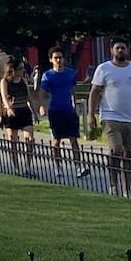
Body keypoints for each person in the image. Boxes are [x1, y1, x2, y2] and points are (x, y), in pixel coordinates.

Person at [88, 41, 131, 196]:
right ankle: (113, 183)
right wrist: (91, 114)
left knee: (128, 153)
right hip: (110, 116)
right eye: (118, 48)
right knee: (116, 149)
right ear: (111, 50)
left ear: (127, 50)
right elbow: (94, 92)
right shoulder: (104, 68)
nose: (121, 50)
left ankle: (127, 187)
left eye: (123, 47)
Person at [38, 48, 86, 177]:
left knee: (74, 139)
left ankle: (78, 167)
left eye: (60, 57)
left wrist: (74, 104)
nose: (58, 60)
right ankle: (58, 166)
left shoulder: (70, 73)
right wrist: (42, 106)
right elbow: (42, 92)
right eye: (56, 58)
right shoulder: (47, 75)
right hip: (55, 110)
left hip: (69, 111)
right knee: (56, 140)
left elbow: (73, 89)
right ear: (51, 60)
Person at [0, 57, 35, 172]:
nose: (23, 70)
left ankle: (28, 166)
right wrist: (9, 108)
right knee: (13, 140)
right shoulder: (5, 81)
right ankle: (16, 167)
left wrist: (35, 112)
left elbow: (29, 97)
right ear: (13, 70)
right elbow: (4, 96)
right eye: (20, 68)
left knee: (30, 139)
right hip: (12, 112)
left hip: (24, 111)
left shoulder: (23, 80)